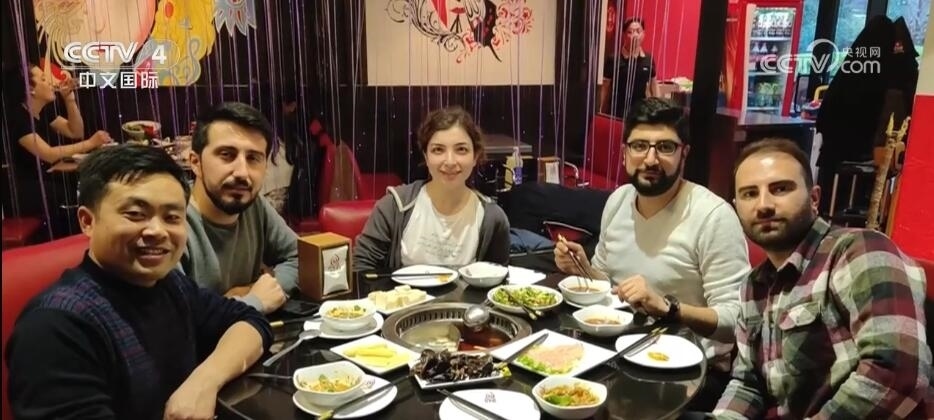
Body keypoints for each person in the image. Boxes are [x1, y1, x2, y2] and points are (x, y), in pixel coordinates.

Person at [5, 145, 272, 419]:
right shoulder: (54, 328)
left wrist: (204, 381)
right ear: (87, 221)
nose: (157, 231)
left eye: (172, 217)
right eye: (135, 214)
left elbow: (250, 321)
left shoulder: (170, 285)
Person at [714, 138, 933, 419]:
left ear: (814, 198)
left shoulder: (859, 250)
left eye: (780, 189)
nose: (764, 205)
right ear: (736, 207)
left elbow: (898, 373)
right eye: (749, 194)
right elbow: (748, 384)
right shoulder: (753, 286)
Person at [554, 98, 748, 410]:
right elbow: (610, 284)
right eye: (640, 146)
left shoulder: (713, 216)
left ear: (684, 153)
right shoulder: (619, 201)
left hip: (690, 374)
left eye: (665, 147)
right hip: (618, 352)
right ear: (624, 153)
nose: (651, 159)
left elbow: (738, 319)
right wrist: (582, 268)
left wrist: (670, 308)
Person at [354, 106, 510, 271]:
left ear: (475, 156)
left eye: (461, 149)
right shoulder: (394, 207)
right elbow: (362, 268)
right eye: (438, 150)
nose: (450, 161)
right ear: (426, 156)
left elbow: (497, 280)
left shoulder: (492, 219)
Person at [181, 102, 299, 314]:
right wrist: (253, 302)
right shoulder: (172, 219)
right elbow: (174, 318)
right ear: (195, 162)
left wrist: (261, 290)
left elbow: (301, 258)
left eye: (253, 158)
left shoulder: (253, 205)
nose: (242, 173)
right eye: (227, 155)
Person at [4, 62, 112, 236]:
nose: (50, 82)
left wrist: (69, 99)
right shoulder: (18, 119)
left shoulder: (43, 111)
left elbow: (75, 131)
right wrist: (91, 143)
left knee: (87, 185)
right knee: (68, 193)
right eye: (43, 79)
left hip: (46, 177)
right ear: (30, 89)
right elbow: (48, 154)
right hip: (24, 189)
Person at [602, 17, 658, 119]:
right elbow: (605, 87)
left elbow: (654, 86)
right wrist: (601, 110)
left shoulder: (648, 59)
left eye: (638, 31)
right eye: (630, 32)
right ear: (624, 35)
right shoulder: (613, 59)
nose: (635, 35)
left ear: (643, 34)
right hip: (617, 113)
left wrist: (659, 111)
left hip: (640, 114)